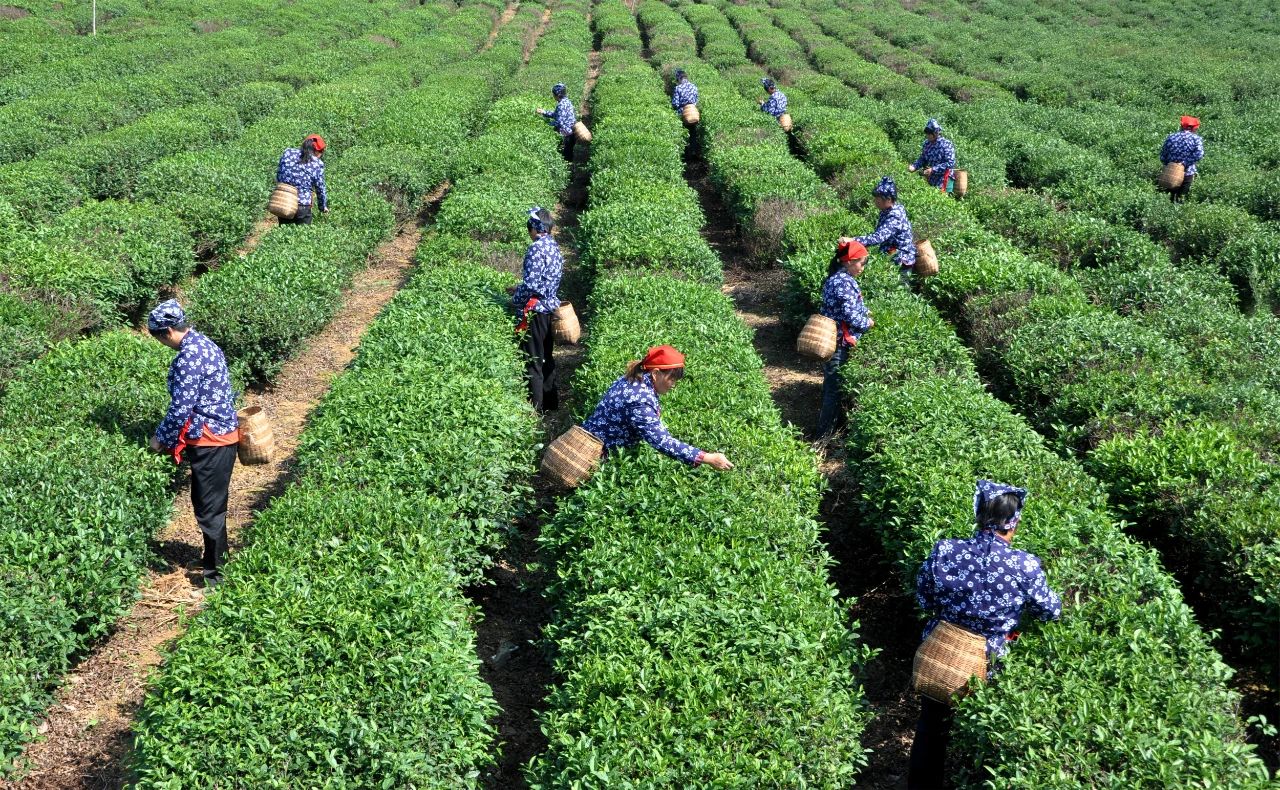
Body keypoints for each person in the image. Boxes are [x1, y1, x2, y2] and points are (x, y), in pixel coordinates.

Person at [908, 480, 1063, 790]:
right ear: (1013, 522)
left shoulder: (946, 550)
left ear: (978, 513)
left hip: (944, 652)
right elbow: (1050, 611)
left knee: (931, 727)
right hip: (989, 660)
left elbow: (924, 597)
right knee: (986, 733)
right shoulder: (1024, 565)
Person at [147, 299, 240, 589]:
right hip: (219, 435)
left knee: (208, 507)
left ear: (167, 332)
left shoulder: (188, 357)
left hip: (212, 440)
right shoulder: (203, 343)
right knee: (210, 503)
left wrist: (160, 439)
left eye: (158, 337)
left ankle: (217, 576)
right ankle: (214, 557)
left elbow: (181, 408)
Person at [581, 345, 734, 471]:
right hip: (596, 456)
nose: (673, 384)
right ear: (655, 373)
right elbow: (661, 441)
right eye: (671, 378)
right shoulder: (639, 400)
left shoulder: (634, 378)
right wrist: (708, 458)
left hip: (592, 442)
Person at [816, 239, 873, 438]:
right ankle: (823, 436)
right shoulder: (842, 281)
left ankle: (831, 428)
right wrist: (868, 323)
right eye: (862, 263)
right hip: (839, 342)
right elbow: (849, 314)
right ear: (849, 261)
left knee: (833, 385)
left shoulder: (842, 278)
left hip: (840, 340)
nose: (863, 267)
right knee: (833, 388)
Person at [513, 207, 563, 413]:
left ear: (534, 228)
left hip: (536, 311)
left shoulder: (536, 249)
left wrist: (515, 298)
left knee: (533, 360)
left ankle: (536, 409)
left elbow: (532, 284)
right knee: (546, 356)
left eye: (529, 228)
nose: (528, 232)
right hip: (549, 308)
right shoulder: (554, 246)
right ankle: (551, 404)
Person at [856, 176, 916, 283]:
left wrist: (853, 240)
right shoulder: (889, 209)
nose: (875, 201)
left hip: (901, 260)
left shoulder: (894, 216)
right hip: (891, 255)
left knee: (899, 291)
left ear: (888, 199)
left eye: (878, 198)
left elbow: (878, 237)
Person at [276, 134, 328, 225]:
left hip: (284, 201)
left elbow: (279, 174)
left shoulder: (288, 152)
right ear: (317, 151)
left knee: (285, 234)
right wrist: (322, 207)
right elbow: (320, 188)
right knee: (303, 235)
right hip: (303, 205)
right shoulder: (317, 163)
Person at [1160, 115, 1204, 203]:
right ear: (1193, 128)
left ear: (1182, 126)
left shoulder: (1171, 137)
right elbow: (1199, 154)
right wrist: (1184, 163)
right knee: (1181, 198)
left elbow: (1163, 155)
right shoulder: (1196, 139)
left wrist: (1169, 165)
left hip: (1170, 172)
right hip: (1187, 173)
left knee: (1168, 199)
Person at [908, 118, 958, 193]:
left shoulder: (946, 144)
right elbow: (923, 159)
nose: (927, 136)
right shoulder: (927, 144)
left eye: (929, 134)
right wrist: (914, 166)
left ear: (935, 134)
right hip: (932, 179)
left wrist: (933, 169)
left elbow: (950, 163)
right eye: (927, 134)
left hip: (945, 178)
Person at [536, 82, 577, 163]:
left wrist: (547, 125)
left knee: (566, 157)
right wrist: (543, 112)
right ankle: (570, 169)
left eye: (553, 94)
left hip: (567, 134)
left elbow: (559, 122)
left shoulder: (561, 105)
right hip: (571, 132)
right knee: (569, 154)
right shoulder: (567, 101)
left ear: (557, 95)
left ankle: (569, 172)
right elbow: (556, 115)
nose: (553, 96)